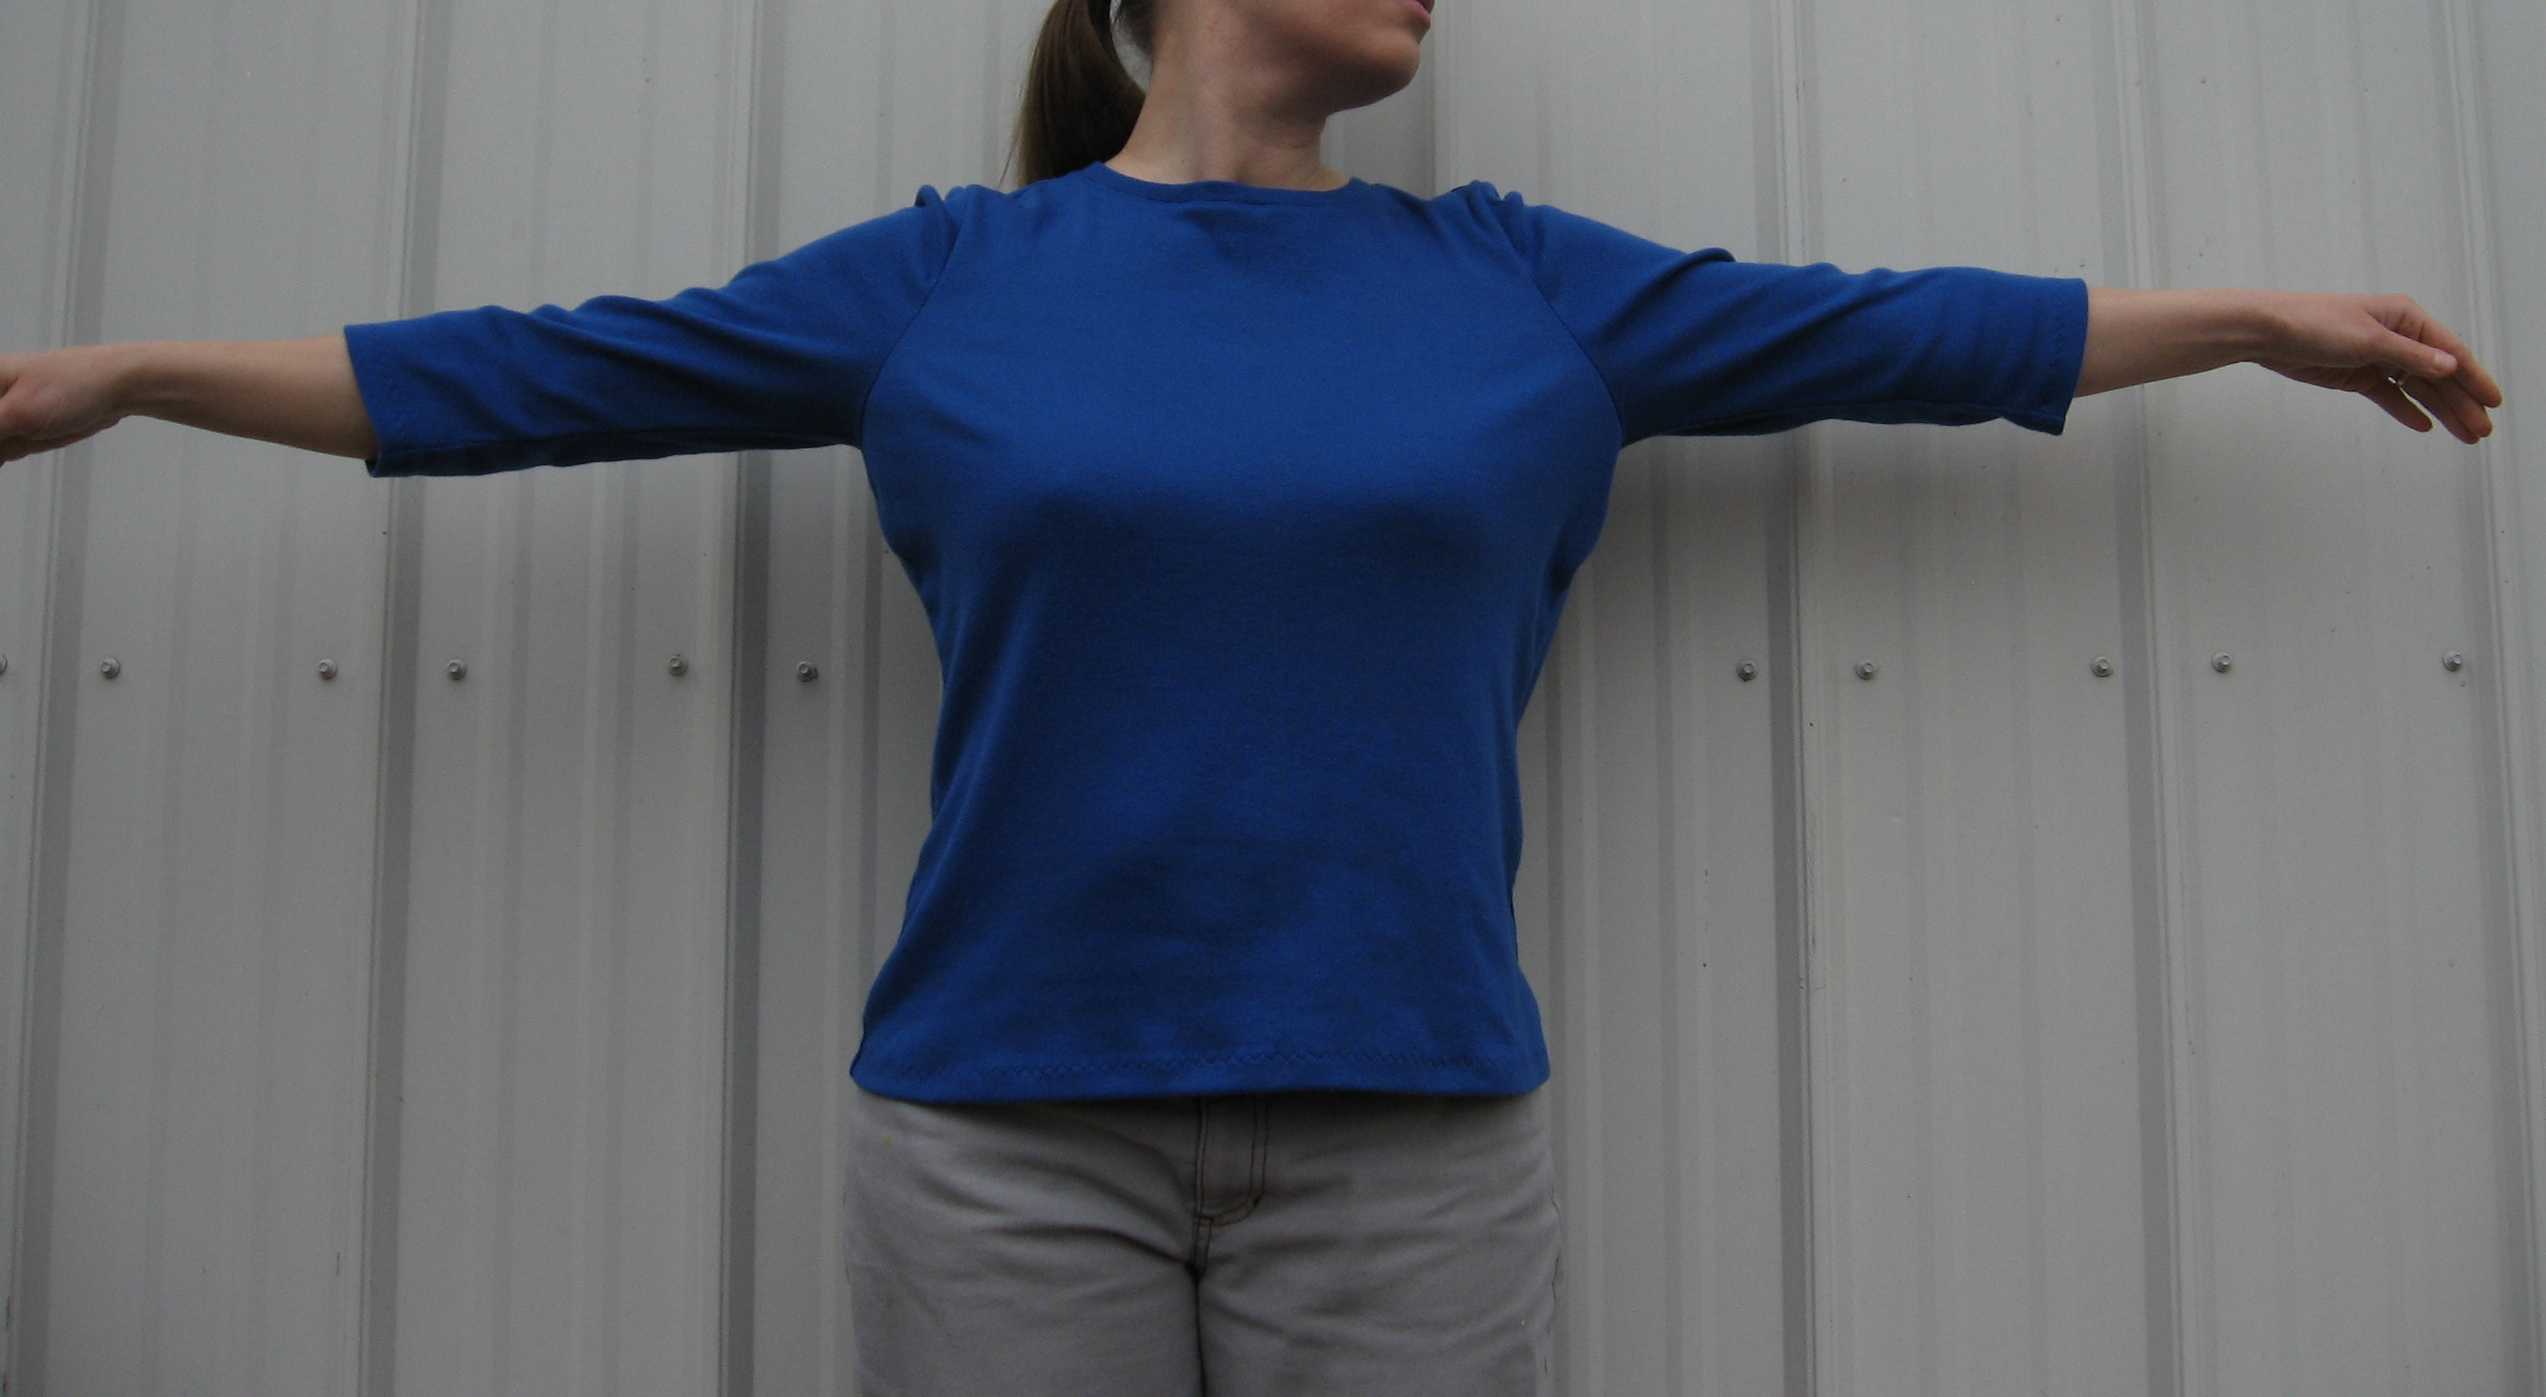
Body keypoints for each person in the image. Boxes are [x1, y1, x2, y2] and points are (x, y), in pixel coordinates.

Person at [0, 0, 2506, 1392]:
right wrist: (128, 373)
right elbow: (533, 374)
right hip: (999, 1140)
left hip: (1414, 1139)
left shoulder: (1519, 280)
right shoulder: (950, 278)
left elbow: (1901, 331)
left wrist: (2244, 320)